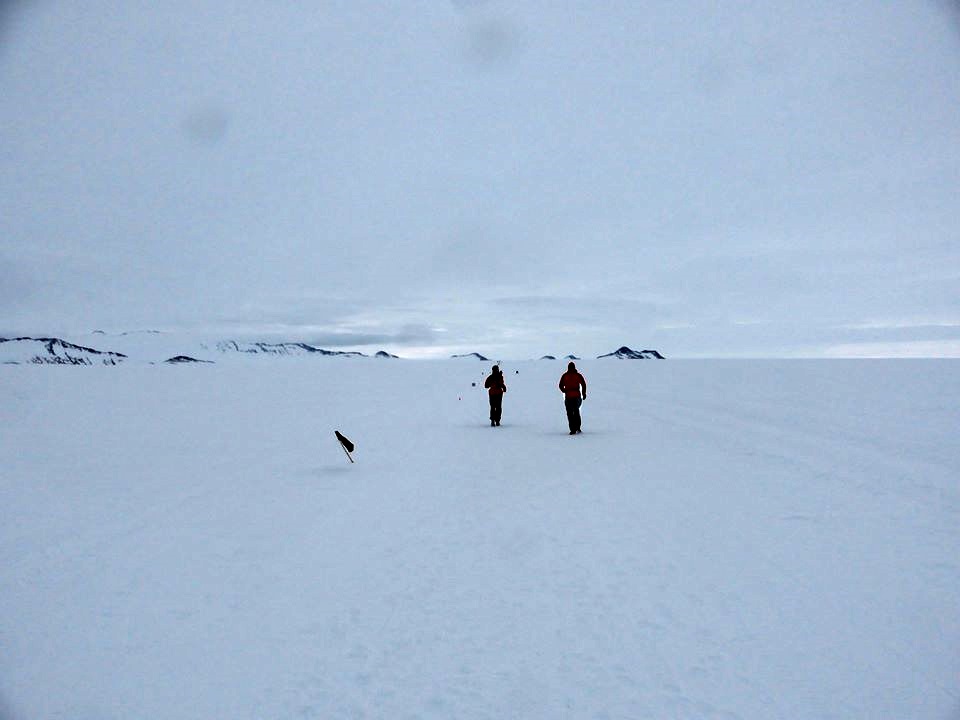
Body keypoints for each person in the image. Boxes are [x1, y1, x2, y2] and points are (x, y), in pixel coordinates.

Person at [558, 361, 587, 434]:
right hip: (576, 396)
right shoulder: (578, 375)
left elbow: (560, 385)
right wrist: (583, 393)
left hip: (569, 397)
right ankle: (577, 428)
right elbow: (583, 384)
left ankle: (573, 429)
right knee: (576, 412)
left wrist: (564, 390)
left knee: (570, 413)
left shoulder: (565, 376)